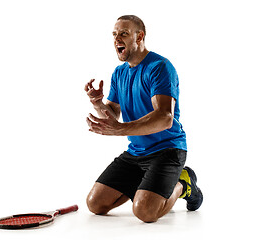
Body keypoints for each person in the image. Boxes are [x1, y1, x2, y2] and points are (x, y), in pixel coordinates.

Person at [84, 15, 203, 223]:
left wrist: (120, 129)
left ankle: (184, 183)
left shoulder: (159, 67)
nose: (116, 39)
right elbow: (113, 113)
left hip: (167, 150)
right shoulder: (120, 73)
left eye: (124, 33)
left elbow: (165, 118)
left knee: (145, 212)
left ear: (139, 36)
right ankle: (148, 185)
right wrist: (98, 104)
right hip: (136, 152)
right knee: (95, 204)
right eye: (114, 34)